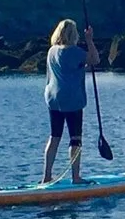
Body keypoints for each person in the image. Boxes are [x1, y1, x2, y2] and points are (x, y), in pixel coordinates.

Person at [40, 19, 99, 184]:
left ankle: (46, 176)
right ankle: (76, 177)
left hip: (52, 98)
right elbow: (95, 59)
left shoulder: (52, 51)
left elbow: (67, 69)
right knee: (75, 138)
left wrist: (82, 68)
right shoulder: (75, 51)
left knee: (55, 137)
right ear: (73, 35)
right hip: (72, 99)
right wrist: (89, 40)